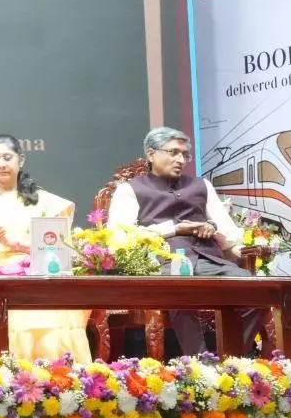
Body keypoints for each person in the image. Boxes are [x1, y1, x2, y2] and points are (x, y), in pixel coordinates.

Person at [108, 126, 261, 356]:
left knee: (257, 291)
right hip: (162, 262)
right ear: (151, 154)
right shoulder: (129, 190)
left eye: (184, 154)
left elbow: (230, 234)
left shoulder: (202, 185)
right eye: (173, 152)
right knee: (179, 288)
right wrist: (174, 229)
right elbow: (119, 237)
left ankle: (232, 357)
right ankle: (201, 362)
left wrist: (212, 227)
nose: (180, 160)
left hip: (209, 260)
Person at [0, 134, 88, 362]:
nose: (1, 164)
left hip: (36, 266)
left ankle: (60, 373)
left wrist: (16, 244)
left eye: (7, 158)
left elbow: (57, 250)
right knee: (22, 303)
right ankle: (15, 373)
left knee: (56, 301)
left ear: (21, 160)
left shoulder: (40, 199)